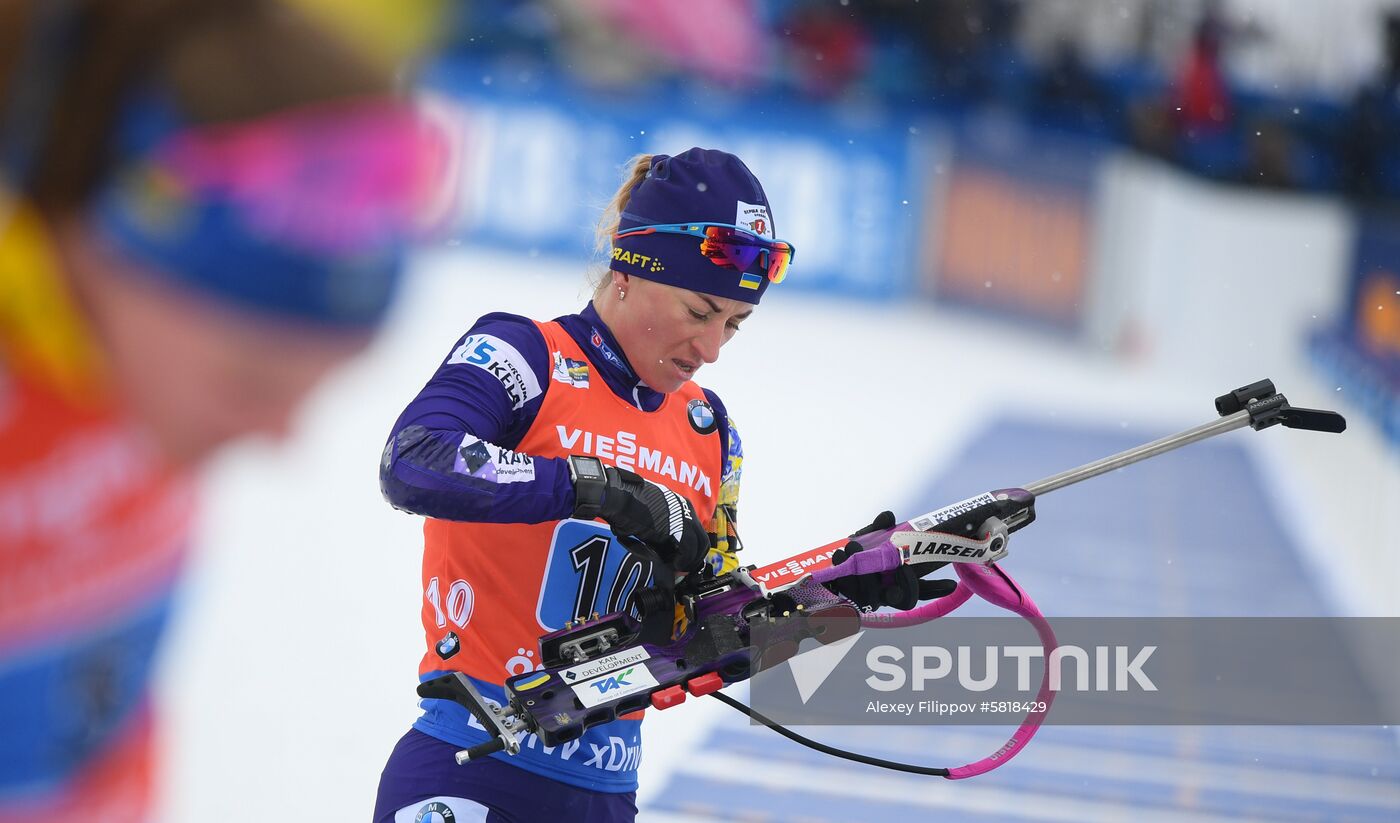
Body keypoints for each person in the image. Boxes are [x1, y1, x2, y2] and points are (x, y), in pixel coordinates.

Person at [0, 1, 436, 819]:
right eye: (249, 379)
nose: (278, 434)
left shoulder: (124, 367)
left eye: (318, 381)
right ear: (106, 241)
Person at [373, 148, 795, 822]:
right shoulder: (525, 355)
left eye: (734, 324)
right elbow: (415, 458)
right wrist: (601, 487)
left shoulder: (710, 430)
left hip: (603, 798)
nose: (711, 347)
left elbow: (707, 628)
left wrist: (842, 599)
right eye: (699, 311)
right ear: (632, 268)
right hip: (473, 772)